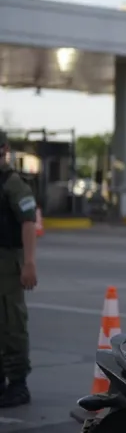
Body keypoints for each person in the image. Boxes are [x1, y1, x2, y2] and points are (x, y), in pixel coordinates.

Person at [0, 130, 37, 408]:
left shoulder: (13, 184)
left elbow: (27, 223)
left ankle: (18, 383)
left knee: (11, 322)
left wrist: (29, 263)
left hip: (8, 263)